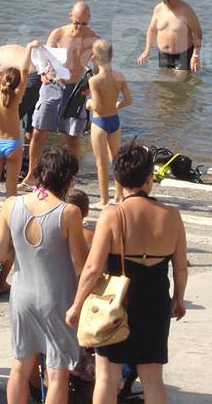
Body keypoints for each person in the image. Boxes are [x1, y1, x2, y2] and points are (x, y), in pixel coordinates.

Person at [66, 143, 189, 404]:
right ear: (149, 179)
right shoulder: (172, 216)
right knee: (152, 377)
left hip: (118, 301)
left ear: (118, 180)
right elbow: (179, 266)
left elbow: (92, 268)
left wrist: (76, 305)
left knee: (107, 376)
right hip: (156, 300)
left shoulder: (113, 214)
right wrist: (178, 298)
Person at [0, 147, 89, 404]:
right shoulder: (69, 213)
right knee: (57, 372)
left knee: (19, 365)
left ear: (38, 173)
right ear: (68, 179)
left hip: (22, 293)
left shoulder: (12, 204)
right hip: (57, 296)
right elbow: (82, 263)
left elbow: (2, 252)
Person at [29, 2, 100, 173]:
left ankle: (72, 175)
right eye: (76, 22)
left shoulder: (94, 40)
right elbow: (43, 59)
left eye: (84, 24)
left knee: (73, 137)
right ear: (70, 16)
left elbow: (98, 69)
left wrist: (92, 86)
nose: (79, 27)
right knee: (39, 131)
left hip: (76, 90)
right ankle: (32, 174)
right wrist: (43, 74)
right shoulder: (58, 34)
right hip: (53, 84)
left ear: (89, 20)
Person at [0, 41, 39, 208]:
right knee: (11, 190)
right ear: (17, 84)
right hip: (14, 144)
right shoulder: (16, 99)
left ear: (0, 79)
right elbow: (24, 71)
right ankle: (8, 224)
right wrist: (29, 48)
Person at [86, 40, 133, 206]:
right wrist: (115, 105)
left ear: (94, 57)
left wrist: (88, 103)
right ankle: (119, 195)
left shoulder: (95, 80)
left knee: (101, 164)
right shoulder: (119, 76)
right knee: (116, 159)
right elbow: (128, 100)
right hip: (115, 120)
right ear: (112, 55)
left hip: (99, 123)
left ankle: (104, 199)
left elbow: (97, 105)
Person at [137, 0, 203, 73]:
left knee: (181, 83)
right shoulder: (158, 8)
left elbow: (198, 33)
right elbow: (152, 30)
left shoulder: (186, 10)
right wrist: (147, 50)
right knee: (164, 81)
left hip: (183, 55)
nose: (166, 1)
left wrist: (195, 56)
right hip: (164, 54)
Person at [0, 43, 41, 140]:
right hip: (41, 75)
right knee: (29, 125)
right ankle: (27, 153)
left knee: (7, 120)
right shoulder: (4, 50)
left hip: (29, 78)